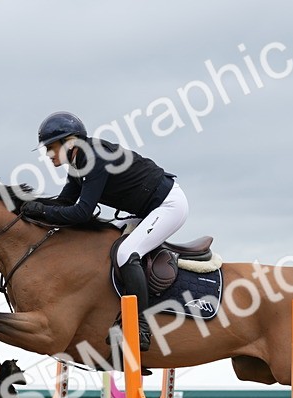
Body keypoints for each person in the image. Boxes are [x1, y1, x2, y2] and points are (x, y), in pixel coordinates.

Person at [19, 112, 189, 351]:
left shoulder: (93, 159)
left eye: (51, 147)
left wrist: (42, 211)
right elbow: (66, 203)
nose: (48, 154)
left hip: (168, 205)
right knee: (100, 242)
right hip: (147, 210)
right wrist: (30, 207)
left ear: (70, 141)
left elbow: (82, 213)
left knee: (126, 253)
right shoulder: (79, 162)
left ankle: (139, 324)